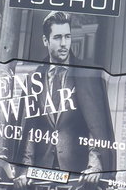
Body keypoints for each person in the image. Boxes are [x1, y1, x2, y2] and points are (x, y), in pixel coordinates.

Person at [21, 11, 115, 174]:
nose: (64, 43)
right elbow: (29, 128)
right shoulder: (34, 78)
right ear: (46, 40)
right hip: (40, 170)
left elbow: (95, 126)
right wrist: (24, 169)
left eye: (67, 37)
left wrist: (94, 166)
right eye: (57, 38)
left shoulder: (88, 75)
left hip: (78, 172)